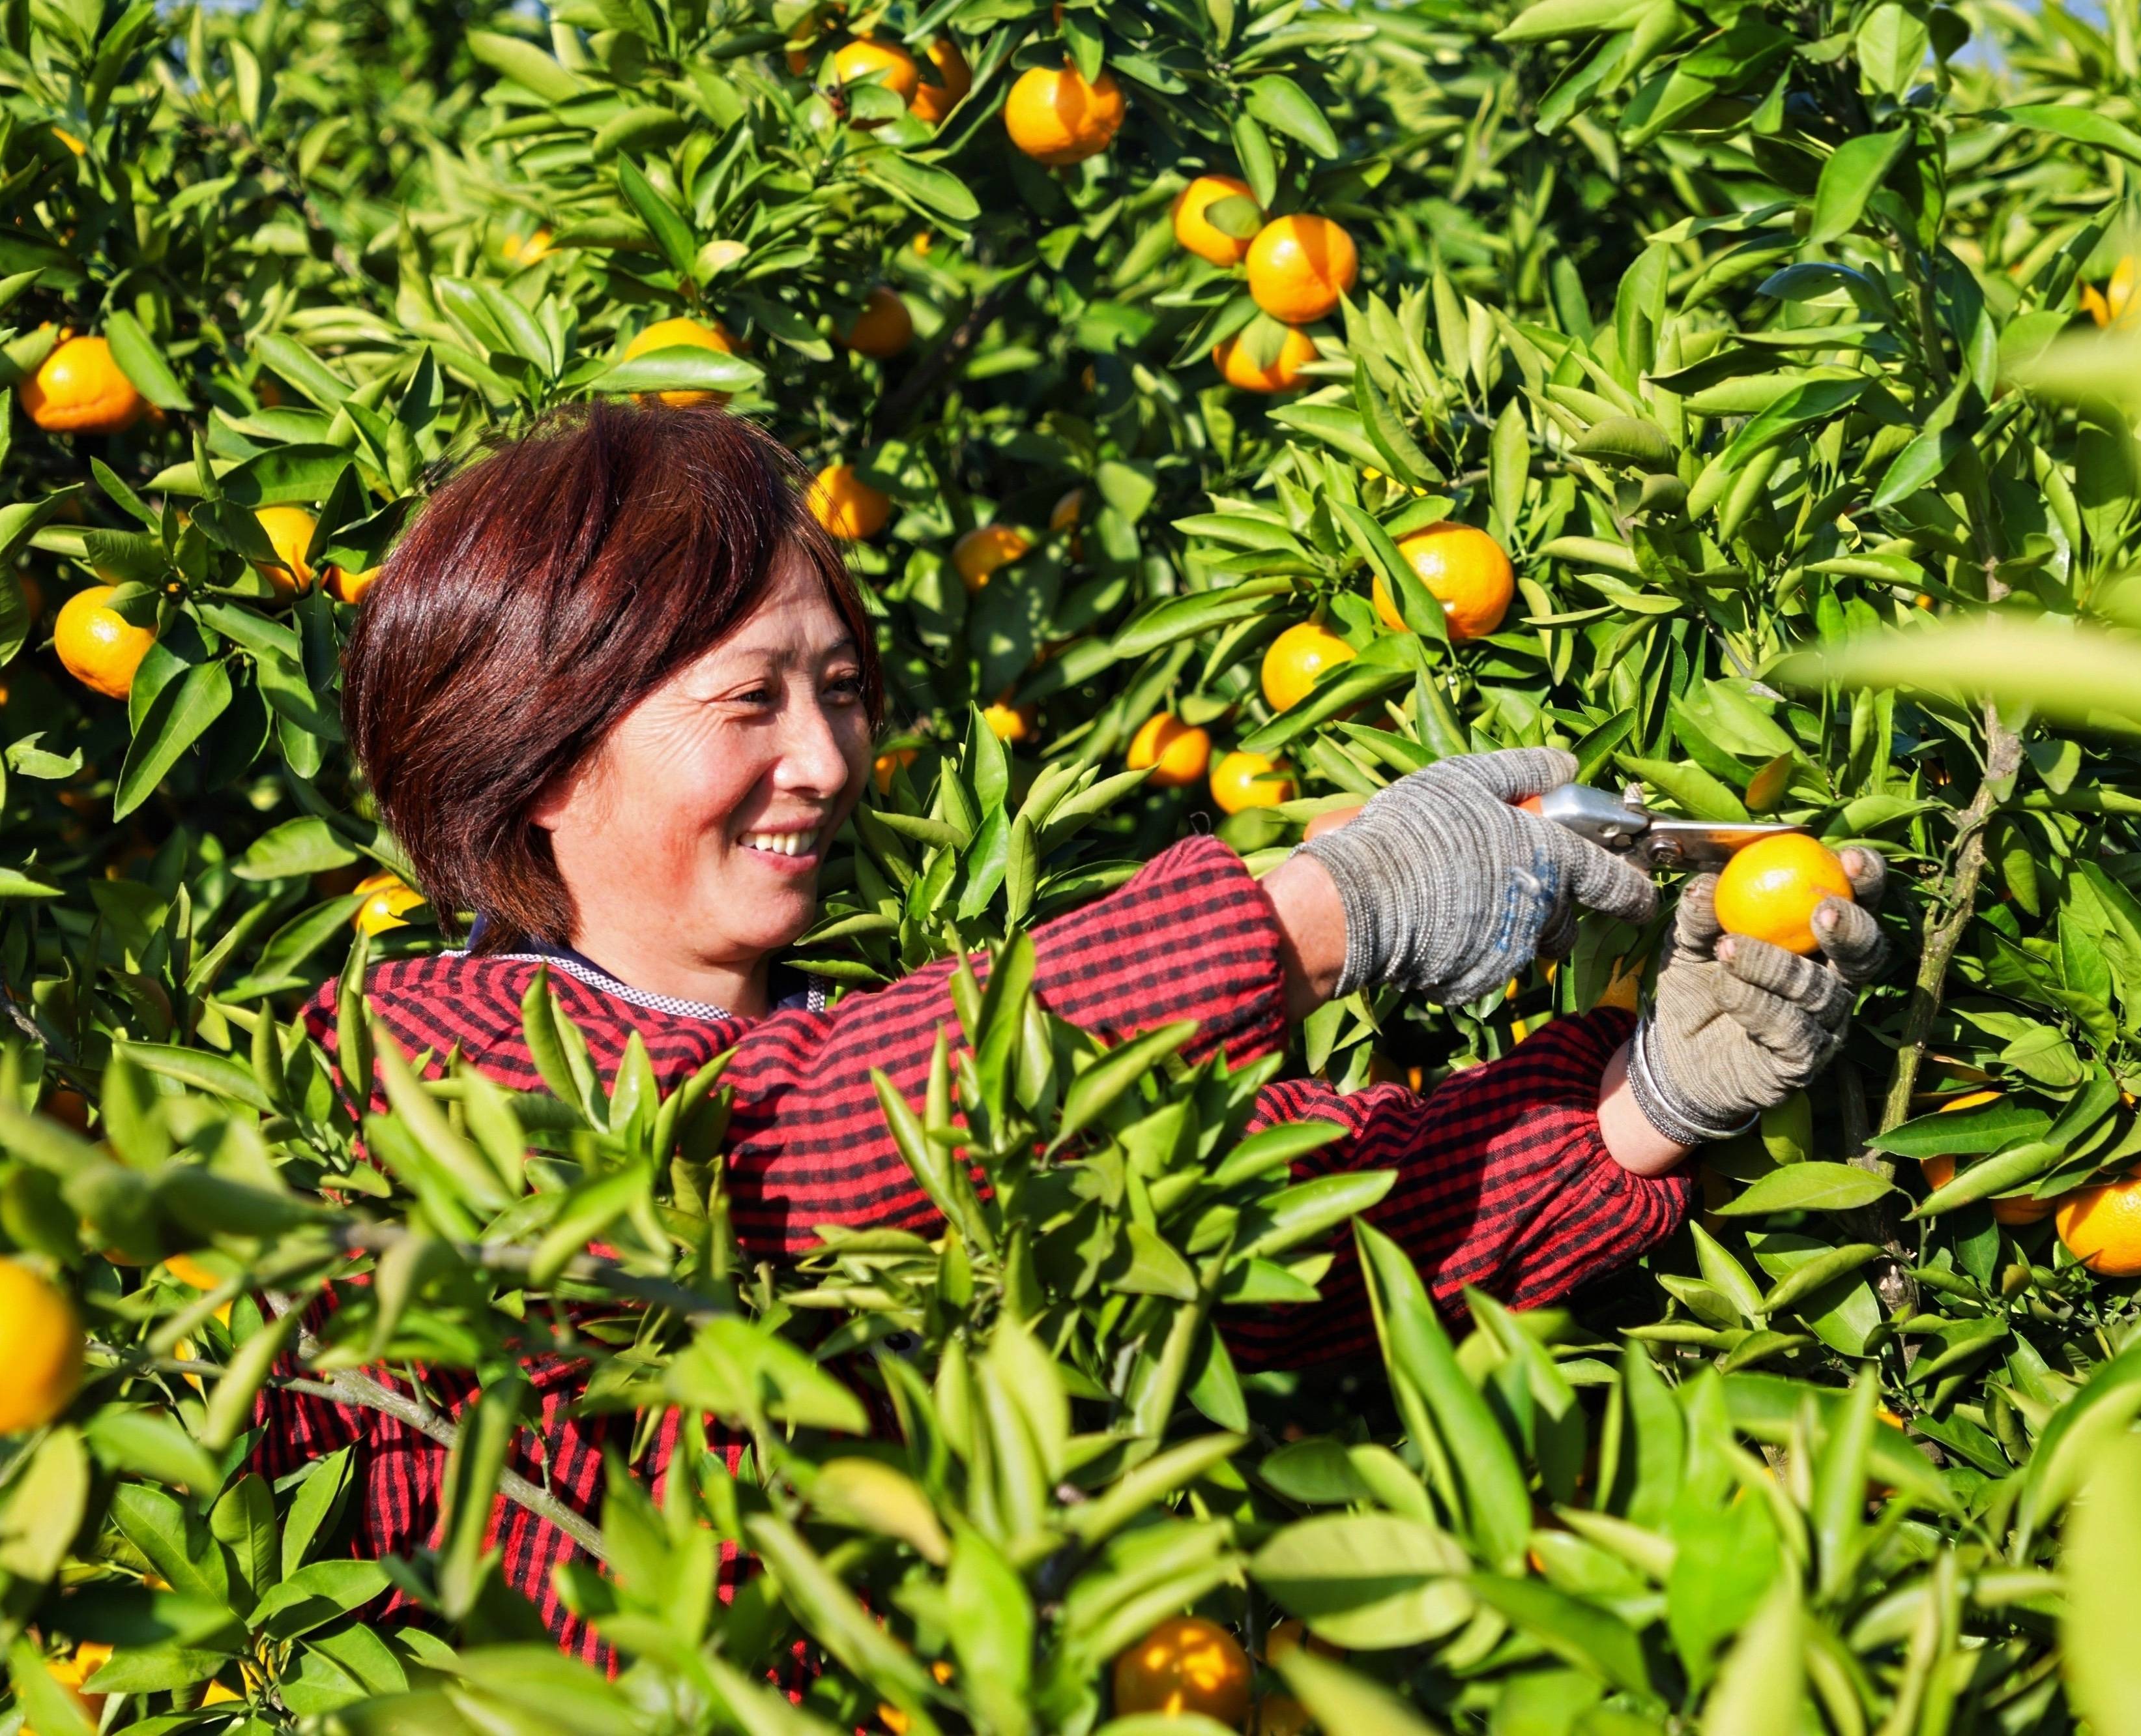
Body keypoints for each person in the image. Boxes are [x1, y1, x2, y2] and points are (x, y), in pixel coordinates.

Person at [255, 401, 1887, 1658]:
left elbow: (1302, 1240)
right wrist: (1332, 906)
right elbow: (785, 1144)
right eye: (749, 702)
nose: (824, 759)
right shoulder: (410, 1059)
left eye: (840, 690)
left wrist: (1651, 1098)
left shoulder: (893, 1043)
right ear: (542, 756)